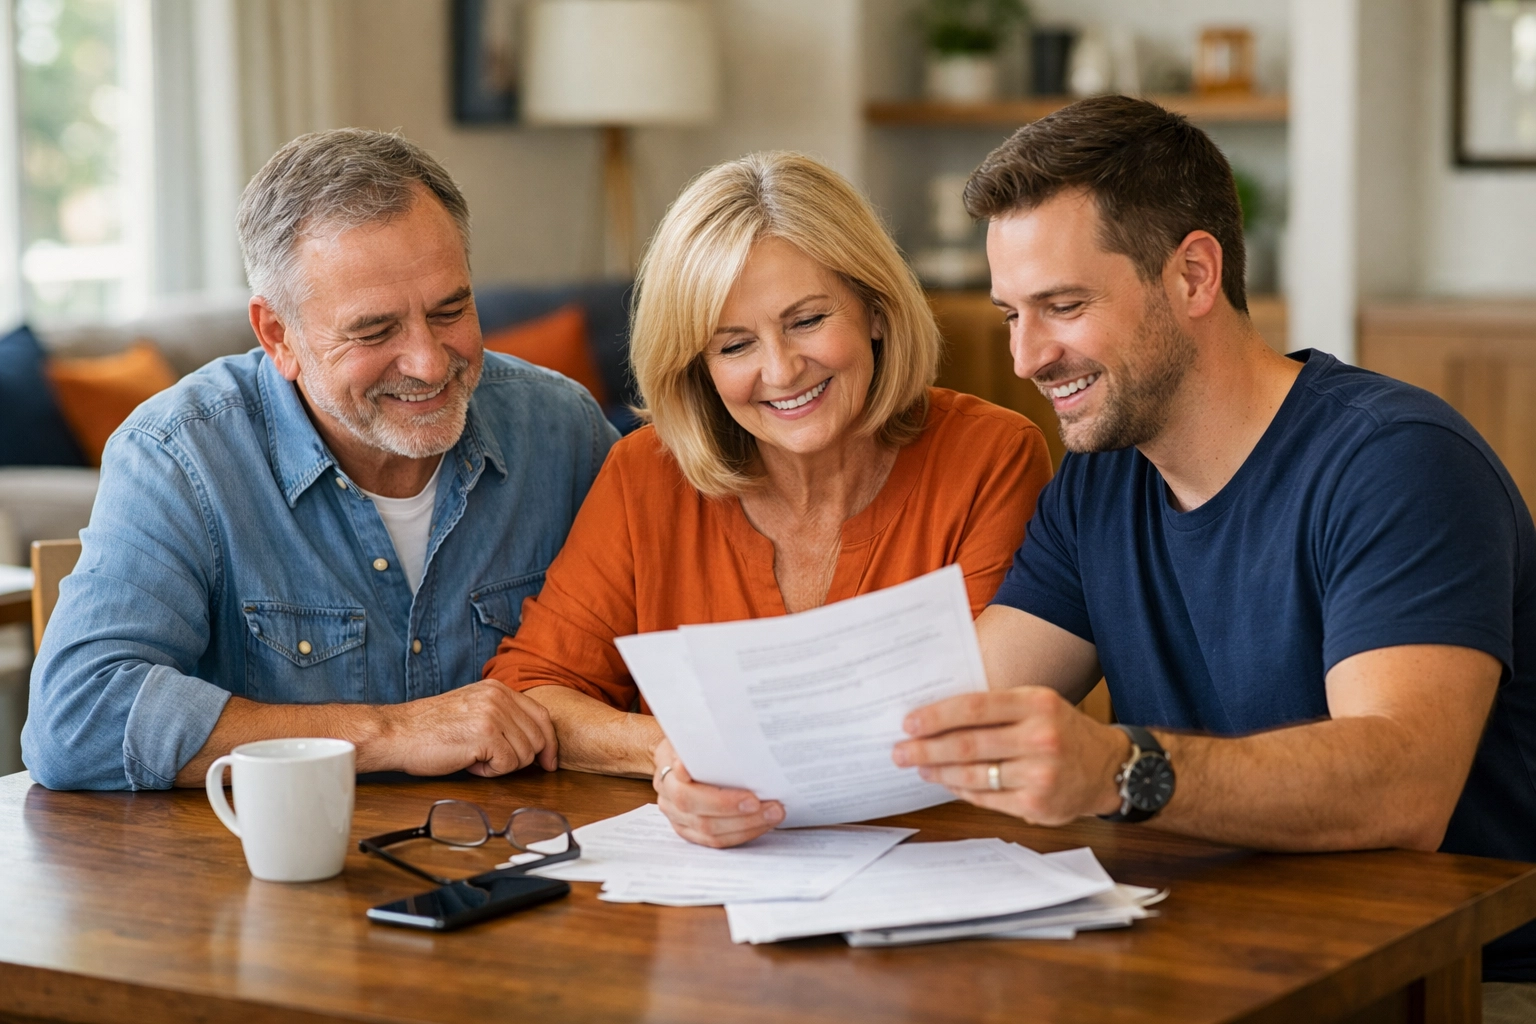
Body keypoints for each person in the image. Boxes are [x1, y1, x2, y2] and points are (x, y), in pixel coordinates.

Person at [890, 96, 1536, 1012]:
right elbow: (948, 715)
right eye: (1010, 314)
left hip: (1461, 983)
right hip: (1220, 960)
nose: (1028, 355)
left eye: (1064, 306)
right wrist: (715, 770)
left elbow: (1403, 788)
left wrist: (1120, 769)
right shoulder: (1097, 486)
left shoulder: (1398, 462)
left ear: (1194, 274)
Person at [481, 152, 1053, 848]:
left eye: (808, 320)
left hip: (941, 866)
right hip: (704, 902)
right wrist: (670, 754)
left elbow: (981, 712)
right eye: (735, 344)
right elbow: (533, 692)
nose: (780, 371)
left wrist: (726, 751)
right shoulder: (644, 474)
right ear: (698, 365)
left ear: (875, 307)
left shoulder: (991, 456)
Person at [23, 129, 617, 790]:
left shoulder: (564, 432)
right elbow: (78, 720)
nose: (427, 362)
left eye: (451, 310)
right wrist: (390, 733)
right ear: (278, 335)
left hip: (526, 862)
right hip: (262, 880)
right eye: (376, 330)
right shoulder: (180, 456)